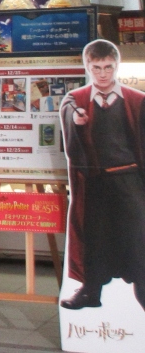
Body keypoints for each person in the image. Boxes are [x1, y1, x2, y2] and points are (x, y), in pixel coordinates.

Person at [59, 39, 145, 312]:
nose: (103, 73)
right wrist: (76, 121)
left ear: (117, 65)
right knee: (94, 236)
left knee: (137, 236)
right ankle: (91, 290)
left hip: (131, 180)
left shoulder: (137, 100)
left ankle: (143, 288)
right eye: (96, 67)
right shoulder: (76, 100)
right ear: (87, 66)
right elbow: (68, 120)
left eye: (108, 67)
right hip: (94, 181)